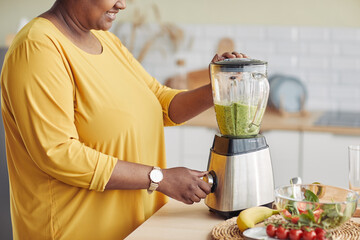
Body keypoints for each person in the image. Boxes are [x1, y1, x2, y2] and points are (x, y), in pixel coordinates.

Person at [0, 0, 247, 239]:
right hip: (75, 231)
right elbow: (58, 152)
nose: (122, 4)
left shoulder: (105, 40)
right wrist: (160, 178)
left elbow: (160, 102)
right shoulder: (37, 47)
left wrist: (216, 85)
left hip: (136, 229)